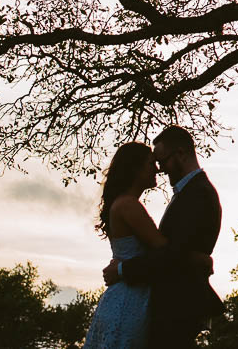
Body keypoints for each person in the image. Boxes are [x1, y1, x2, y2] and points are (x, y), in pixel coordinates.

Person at [102, 125, 224, 348]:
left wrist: (121, 269)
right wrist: (199, 260)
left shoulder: (198, 194)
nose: (160, 170)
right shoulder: (187, 193)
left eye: (162, 161)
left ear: (180, 153)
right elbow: (170, 250)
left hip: (178, 304)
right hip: (162, 304)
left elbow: (172, 254)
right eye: (154, 164)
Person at [84, 142, 166, 349]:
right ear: (134, 168)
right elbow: (164, 249)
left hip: (125, 295)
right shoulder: (128, 205)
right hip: (129, 300)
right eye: (150, 164)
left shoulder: (121, 203)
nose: (156, 169)